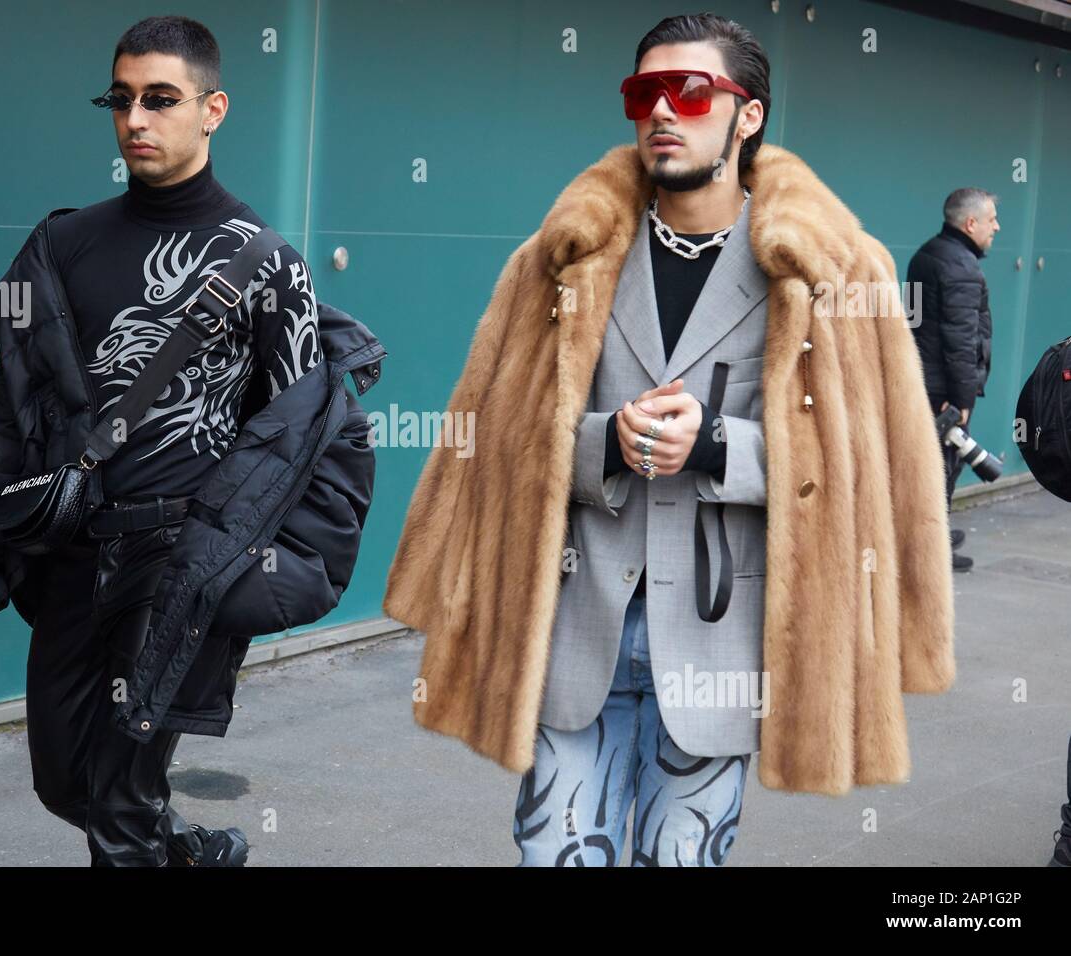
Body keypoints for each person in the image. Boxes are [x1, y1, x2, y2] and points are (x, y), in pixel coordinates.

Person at [383, 12, 955, 865]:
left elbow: (876, 466)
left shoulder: (836, 269)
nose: (662, 111)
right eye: (644, 92)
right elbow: (491, 439)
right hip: (575, 625)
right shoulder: (560, 257)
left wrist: (723, 447)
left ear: (747, 114)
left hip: (725, 638)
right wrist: (604, 442)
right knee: (555, 857)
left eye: (690, 92)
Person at [0, 16, 329, 867]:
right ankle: (194, 854)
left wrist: (268, 571)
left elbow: (301, 438)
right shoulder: (63, 246)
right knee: (63, 782)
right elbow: (11, 414)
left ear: (213, 109)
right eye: (123, 99)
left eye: (162, 99)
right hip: (76, 554)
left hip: (184, 563)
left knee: (117, 799)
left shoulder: (267, 265)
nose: (137, 119)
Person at [907, 189, 998, 572]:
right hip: (943, 390)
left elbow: (911, 324)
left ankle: (935, 534)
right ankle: (930, 555)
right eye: (991, 219)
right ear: (970, 223)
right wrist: (962, 400)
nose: (997, 226)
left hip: (922, 381)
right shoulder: (961, 267)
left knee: (931, 466)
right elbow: (961, 342)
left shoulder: (925, 254)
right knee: (940, 469)